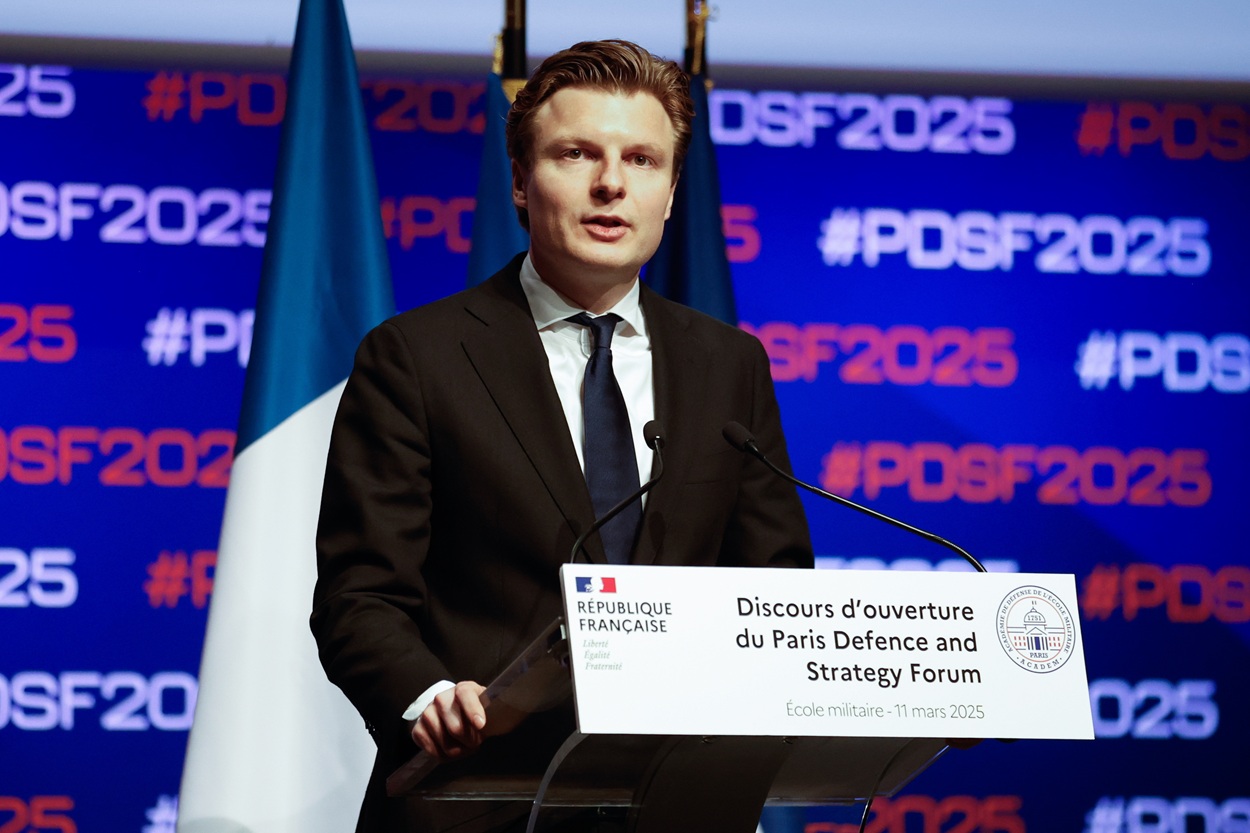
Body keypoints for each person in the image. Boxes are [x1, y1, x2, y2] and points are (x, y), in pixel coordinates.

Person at [312, 38, 812, 832]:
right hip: (478, 796)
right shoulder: (418, 356)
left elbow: (774, 587)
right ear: (520, 180)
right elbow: (359, 594)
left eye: (642, 160)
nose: (612, 184)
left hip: (675, 804)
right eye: (577, 154)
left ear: (671, 193)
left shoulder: (729, 365)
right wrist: (428, 697)